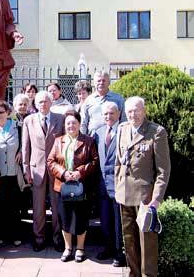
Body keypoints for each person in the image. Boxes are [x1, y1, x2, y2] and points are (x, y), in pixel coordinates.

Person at [115, 96, 171, 277]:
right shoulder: (122, 129)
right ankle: (134, 274)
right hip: (124, 195)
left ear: (144, 110)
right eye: (129, 111)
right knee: (129, 241)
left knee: (147, 243)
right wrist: (118, 187)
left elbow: (163, 171)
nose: (133, 114)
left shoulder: (156, 132)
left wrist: (156, 200)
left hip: (145, 198)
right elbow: (118, 162)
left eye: (137, 110)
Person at [47, 112, 99, 263]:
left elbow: (95, 161)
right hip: (62, 187)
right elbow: (50, 161)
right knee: (65, 218)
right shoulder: (58, 141)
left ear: (79, 123)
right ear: (64, 125)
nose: (71, 126)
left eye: (74, 122)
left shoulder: (88, 141)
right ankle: (68, 248)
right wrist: (63, 172)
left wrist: (79, 172)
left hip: (81, 187)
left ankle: (80, 248)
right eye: (68, 123)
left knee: (81, 218)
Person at [22, 91, 65, 252]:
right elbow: (25, 146)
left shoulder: (60, 119)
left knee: (56, 205)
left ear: (51, 102)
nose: (43, 104)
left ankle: (57, 238)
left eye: (46, 101)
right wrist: (26, 169)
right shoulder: (29, 120)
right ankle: (38, 238)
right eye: (40, 102)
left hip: (56, 168)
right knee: (38, 207)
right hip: (36, 169)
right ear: (36, 104)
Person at [94, 102, 126, 267]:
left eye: (111, 113)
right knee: (105, 220)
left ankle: (120, 253)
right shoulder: (98, 133)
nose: (108, 117)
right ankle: (108, 247)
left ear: (119, 113)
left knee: (118, 221)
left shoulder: (125, 131)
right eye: (105, 114)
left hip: (120, 184)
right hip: (102, 185)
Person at [0, 100, 23, 246]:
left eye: (1, 112)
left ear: (8, 112)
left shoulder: (18, 127)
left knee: (14, 206)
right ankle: (1, 234)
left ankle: (16, 234)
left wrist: (21, 151)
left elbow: (24, 143)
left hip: (14, 172)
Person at [80, 71, 125, 136]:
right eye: (99, 81)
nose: (101, 83)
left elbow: (124, 120)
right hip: (93, 139)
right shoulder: (88, 100)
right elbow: (83, 122)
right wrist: (83, 139)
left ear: (109, 82)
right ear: (94, 83)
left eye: (104, 81)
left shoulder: (118, 99)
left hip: (113, 138)